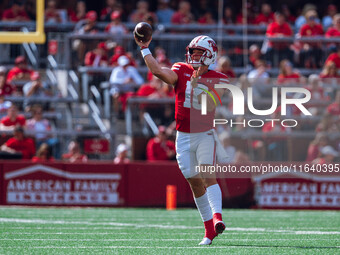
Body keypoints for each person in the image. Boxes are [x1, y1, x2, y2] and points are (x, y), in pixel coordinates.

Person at [135, 34, 228, 245]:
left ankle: (218, 218)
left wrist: (195, 86)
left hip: (204, 133)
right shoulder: (180, 69)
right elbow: (158, 72)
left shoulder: (220, 78)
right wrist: (144, 48)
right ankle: (208, 232)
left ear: (210, 55)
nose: (194, 56)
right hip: (183, 136)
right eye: (192, 52)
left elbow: (209, 105)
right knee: (194, 182)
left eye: (199, 52)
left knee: (207, 174)